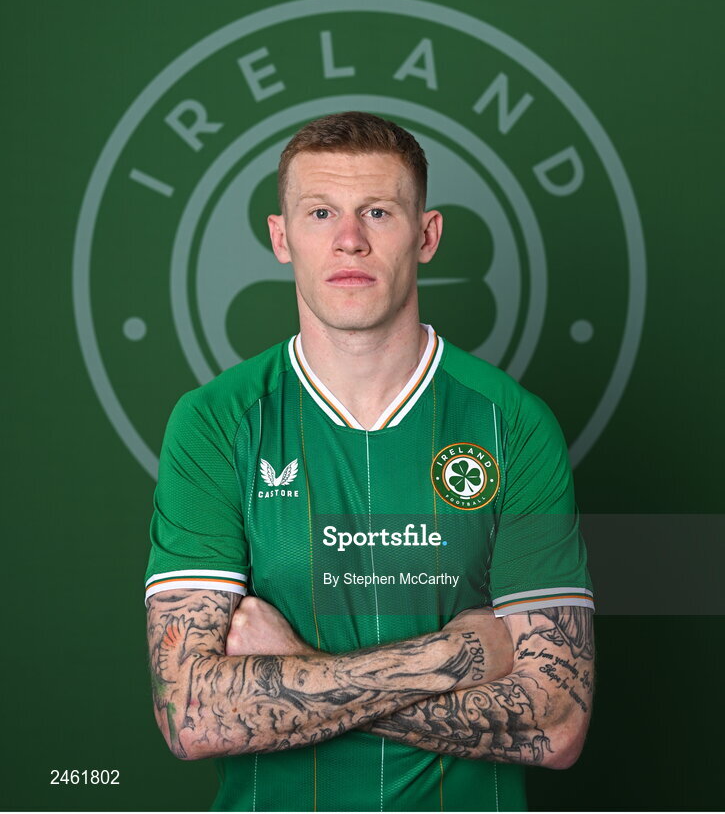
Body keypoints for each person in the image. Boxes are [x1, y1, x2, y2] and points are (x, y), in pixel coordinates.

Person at [145, 111, 594, 812]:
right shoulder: (215, 421)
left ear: (426, 235)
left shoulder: (511, 422)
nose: (349, 238)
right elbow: (191, 715)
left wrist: (297, 667)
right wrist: (452, 658)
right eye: (320, 212)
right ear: (281, 237)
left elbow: (557, 723)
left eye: (377, 212)